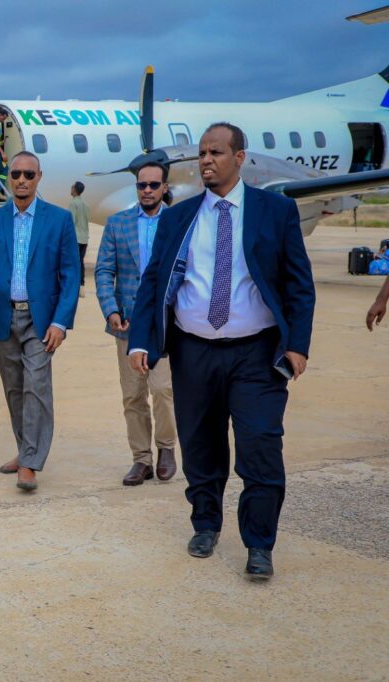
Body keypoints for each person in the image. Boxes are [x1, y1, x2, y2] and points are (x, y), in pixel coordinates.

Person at [128, 123, 315, 581]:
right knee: (201, 446)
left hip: (257, 354)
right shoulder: (179, 217)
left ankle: (259, 544)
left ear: (240, 157)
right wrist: (141, 339)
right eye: (202, 153)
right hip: (194, 352)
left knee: (260, 446)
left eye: (216, 152)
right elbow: (154, 281)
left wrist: (297, 345)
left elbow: (299, 283)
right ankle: (206, 524)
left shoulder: (275, 211)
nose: (206, 160)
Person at [0, 151, 81, 492]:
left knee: (36, 386)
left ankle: (30, 463)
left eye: (28, 174)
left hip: (41, 320)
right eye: (16, 173)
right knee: (14, 389)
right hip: (2, 317)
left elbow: (71, 274)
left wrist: (60, 322)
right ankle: (24, 450)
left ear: (38, 177)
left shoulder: (59, 220)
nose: (21, 180)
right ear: (9, 176)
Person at [94, 162, 177, 486]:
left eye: (154, 185)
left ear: (164, 187)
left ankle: (166, 448)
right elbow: (104, 270)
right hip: (127, 323)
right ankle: (141, 459)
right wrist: (110, 309)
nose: (147, 190)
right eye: (142, 185)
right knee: (133, 394)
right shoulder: (118, 223)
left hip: (165, 323)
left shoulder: (177, 221)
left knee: (163, 389)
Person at [69, 181, 90, 298]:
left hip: (76, 238)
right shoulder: (86, 205)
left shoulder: (73, 204)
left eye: (72, 187)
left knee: (73, 263)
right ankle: (82, 286)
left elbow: (71, 222)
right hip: (85, 238)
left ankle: (74, 287)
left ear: (75, 190)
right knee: (81, 262)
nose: (71, 189)